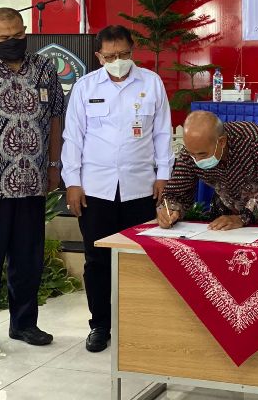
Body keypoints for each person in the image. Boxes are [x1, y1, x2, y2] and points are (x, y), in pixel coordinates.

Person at [61, 25, 174, 353]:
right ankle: (100, 326)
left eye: (124, 54)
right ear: (99, 56)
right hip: (96, 190)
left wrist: (163, 175)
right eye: (110, 56)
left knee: (140, 260)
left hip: (141, 189)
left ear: (132, 50)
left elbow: (162, 133)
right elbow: (73, 138)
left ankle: (138, 324)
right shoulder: (85, 87)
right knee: (97, 260)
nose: (118, 61)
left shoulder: (151, 83)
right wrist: (72, 183)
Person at [0, 7, 64, 359]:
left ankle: (24, 324)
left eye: (18, 35)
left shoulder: (44, 69)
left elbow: (55, 119)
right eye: (4, 37)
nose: (12, 42)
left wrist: (53, 166)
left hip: (31, 183)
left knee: (28, 258)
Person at [157, 110, 258, 230]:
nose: (196, 159)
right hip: (225, 213)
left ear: (222, 142)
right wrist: (171, 210)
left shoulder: (254, 139)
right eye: (192, 154)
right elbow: (177, 193)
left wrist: (242, 218)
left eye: (202, 154)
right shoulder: (191, 152)